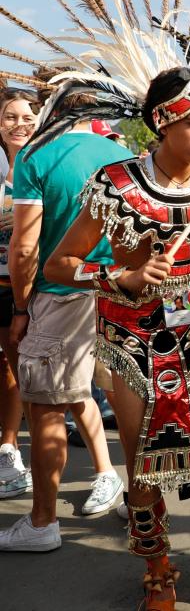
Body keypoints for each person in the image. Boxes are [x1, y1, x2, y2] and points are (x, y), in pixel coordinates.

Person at [44, 67, 190, 609]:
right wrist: (119, 277)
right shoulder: (116, 185)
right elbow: (58, 264)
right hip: (130, 337)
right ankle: (158, 576)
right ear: (160, 125)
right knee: (143, 458)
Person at [0, 89, 130, 552]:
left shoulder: (38, 156)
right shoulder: (124, 155)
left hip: (61, 295)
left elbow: (24, 247)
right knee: (128, 403)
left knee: (48, 407)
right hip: (121, 293)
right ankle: (135, 501)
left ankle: (42, 522)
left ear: (53, 106)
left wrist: (20, 307)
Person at [0, 90, 37, 500]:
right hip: (2, 284)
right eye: (10, 116)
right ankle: (9, 448)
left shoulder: (44, 164)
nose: (19, 123)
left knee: (33, 371)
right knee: (9, 368)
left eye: (27, 115)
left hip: (35, 285)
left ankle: (106, 473)